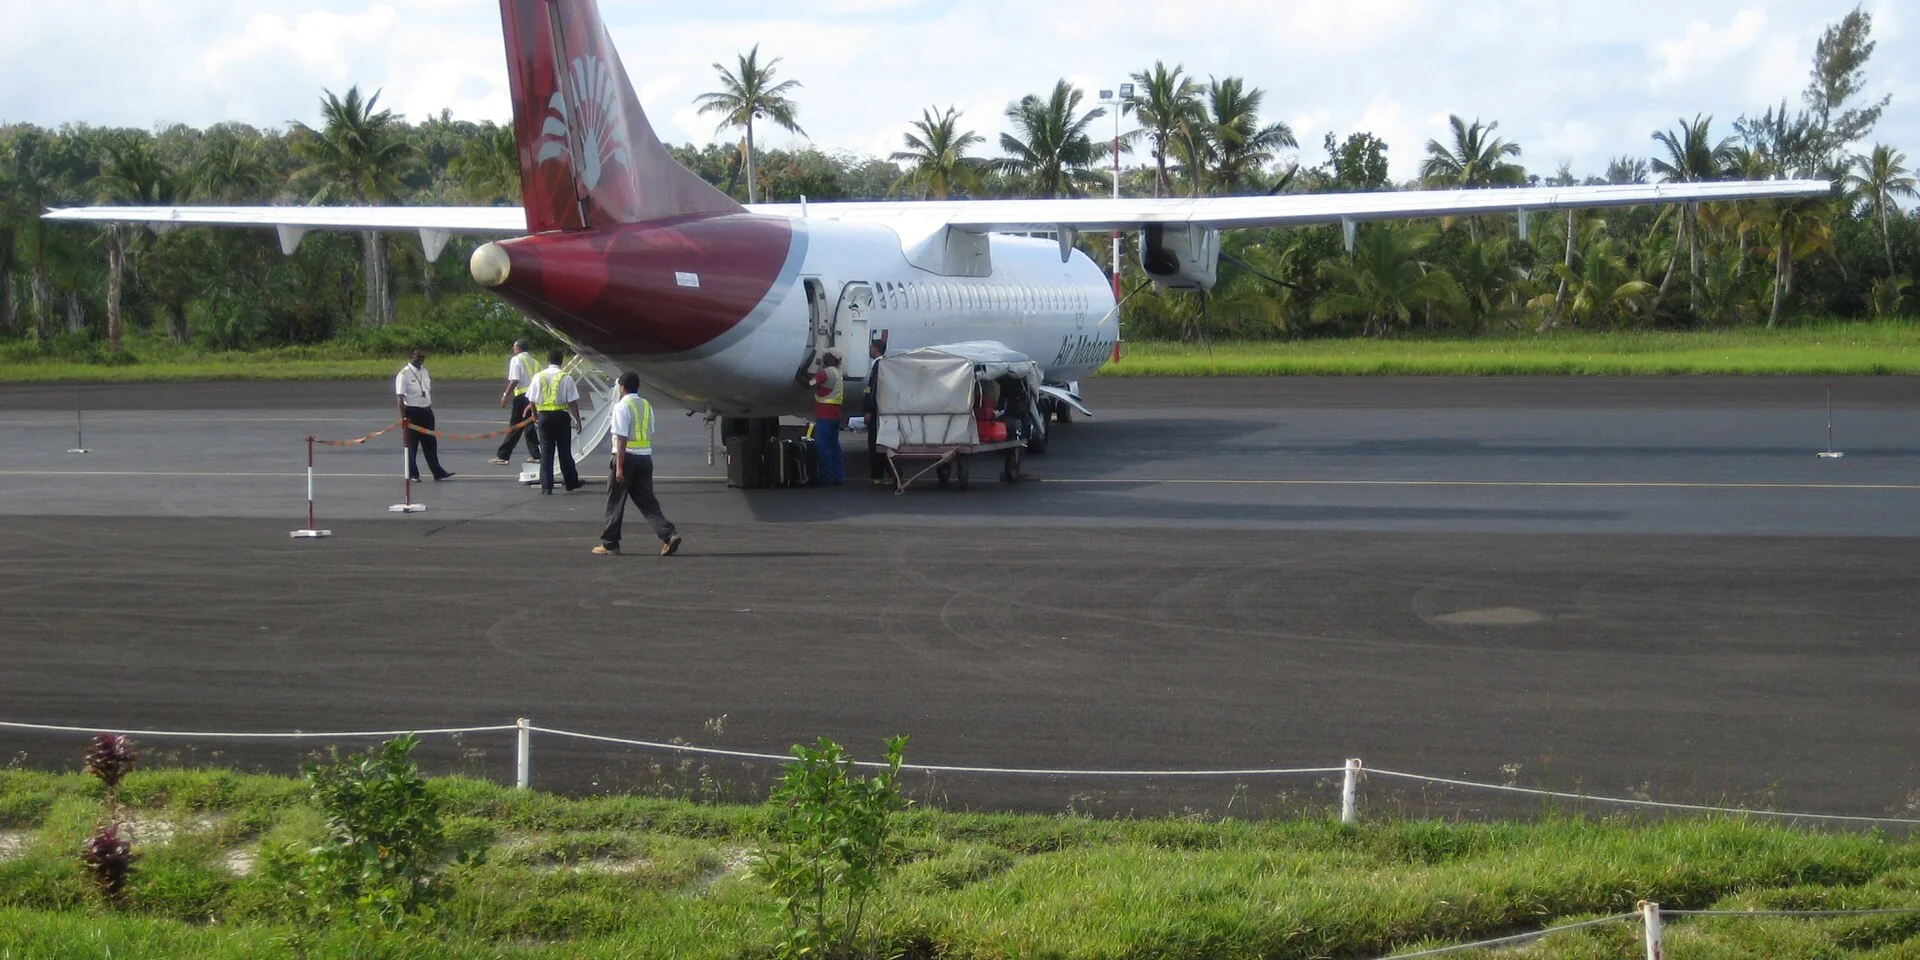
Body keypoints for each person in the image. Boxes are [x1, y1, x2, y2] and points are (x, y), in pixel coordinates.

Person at [594, 371, 681, 556]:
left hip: (627, 457)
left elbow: (621, 438)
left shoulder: (621, 406)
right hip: (645, 458)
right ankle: (668, 535)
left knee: (615, 501)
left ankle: (610, 543)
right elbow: (650, 430)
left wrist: (619, 467)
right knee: (647, 501)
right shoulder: (646, 405)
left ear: (622, 388)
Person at [527, 349, 584, 494]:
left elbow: (531, 400)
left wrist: (535, 415)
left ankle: (547, 487)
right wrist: (577, 420)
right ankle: (571, 483)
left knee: (546, 452)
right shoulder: (566, 377)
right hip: (561, 416)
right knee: (564, 451)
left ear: (548, 361)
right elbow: (573, 402)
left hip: (544, 417)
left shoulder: (538, 377)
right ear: (561, 361)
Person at [394, 348, 453, 482]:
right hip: (412, 412)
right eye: (417, 357)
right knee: (412, 445)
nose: (420, 360)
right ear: (412, 356)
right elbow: (400, 397)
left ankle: (437, 472)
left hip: (426, 411)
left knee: (430, 444)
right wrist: (403, 417)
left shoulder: (424, 372)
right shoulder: (404, 374)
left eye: (422, 357)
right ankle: (413, 474)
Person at [489, 339, 540, 465]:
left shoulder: (516, 360)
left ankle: (503, 456)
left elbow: (515, 380)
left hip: (522, 397)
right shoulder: (535, 362)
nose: (513, 350)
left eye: (514, 348)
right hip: (534, 397)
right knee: (529, 426)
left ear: (519, 349)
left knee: (515, 426)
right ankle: (536, 455)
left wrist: (505, 395)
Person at [807, 351, 845, 485]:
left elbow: (810, 383)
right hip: (835, 414)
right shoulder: (838, 372)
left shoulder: (825, 373)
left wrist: (798, 374)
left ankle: (827, 476)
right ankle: (839, 476)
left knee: (823, 445)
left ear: (830, 359)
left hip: (825, 414)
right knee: (834, 445)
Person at [865, 339, 886, 483]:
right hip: (881, 409)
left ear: (876, 349)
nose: (869, 350)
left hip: (876, 411)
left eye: (871, 348)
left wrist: (868, 409)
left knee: (874, 443)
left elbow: (872, 390)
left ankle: (877, 475)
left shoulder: (878, 365)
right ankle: (889, 473)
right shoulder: (884, 364)